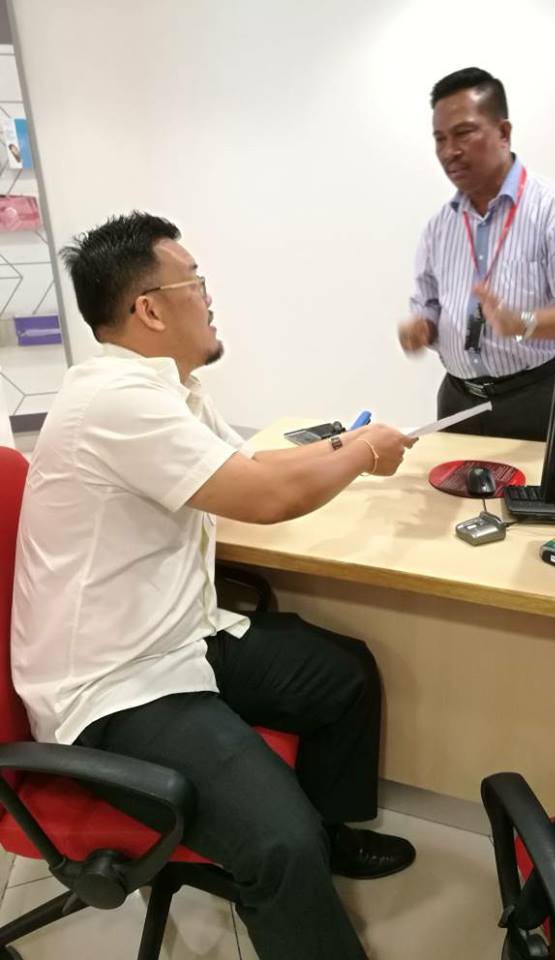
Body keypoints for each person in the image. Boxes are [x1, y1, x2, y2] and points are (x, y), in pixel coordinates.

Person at [11, 212, 418, 960]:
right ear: (150, 309)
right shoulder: (117, 401)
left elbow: (253, 466)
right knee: (278, 842)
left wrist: (349, 442)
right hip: (115, 686)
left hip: (179, 636)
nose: (209, 297)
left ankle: (327, 842)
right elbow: (267, 498)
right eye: (195, 282)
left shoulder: (171, 390)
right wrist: (362, 454)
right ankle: (300, 862)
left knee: (343, 674)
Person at [399, 67, 555, 441]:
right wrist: (421, 327)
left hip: (537, 397)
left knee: (534, 484)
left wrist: (521, 323)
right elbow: (427, 304)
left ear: (504, 132)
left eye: (463, 133)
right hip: (458, 399)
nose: (450, 151)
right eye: (440, 139)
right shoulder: (439, 227)